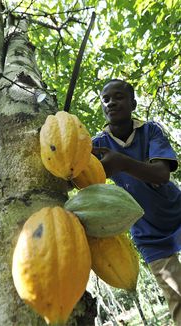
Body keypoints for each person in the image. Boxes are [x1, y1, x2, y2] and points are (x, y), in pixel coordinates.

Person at [92, 79, 181, 324]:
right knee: (177, 295)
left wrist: (120, 162)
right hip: (147, 232)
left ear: (133, 103)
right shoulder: (97, 145)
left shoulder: (150, 130)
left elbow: (162, 174)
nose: (111, 102)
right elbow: (73, 173)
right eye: (106, 99)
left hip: (177, 212)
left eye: (118, 96)